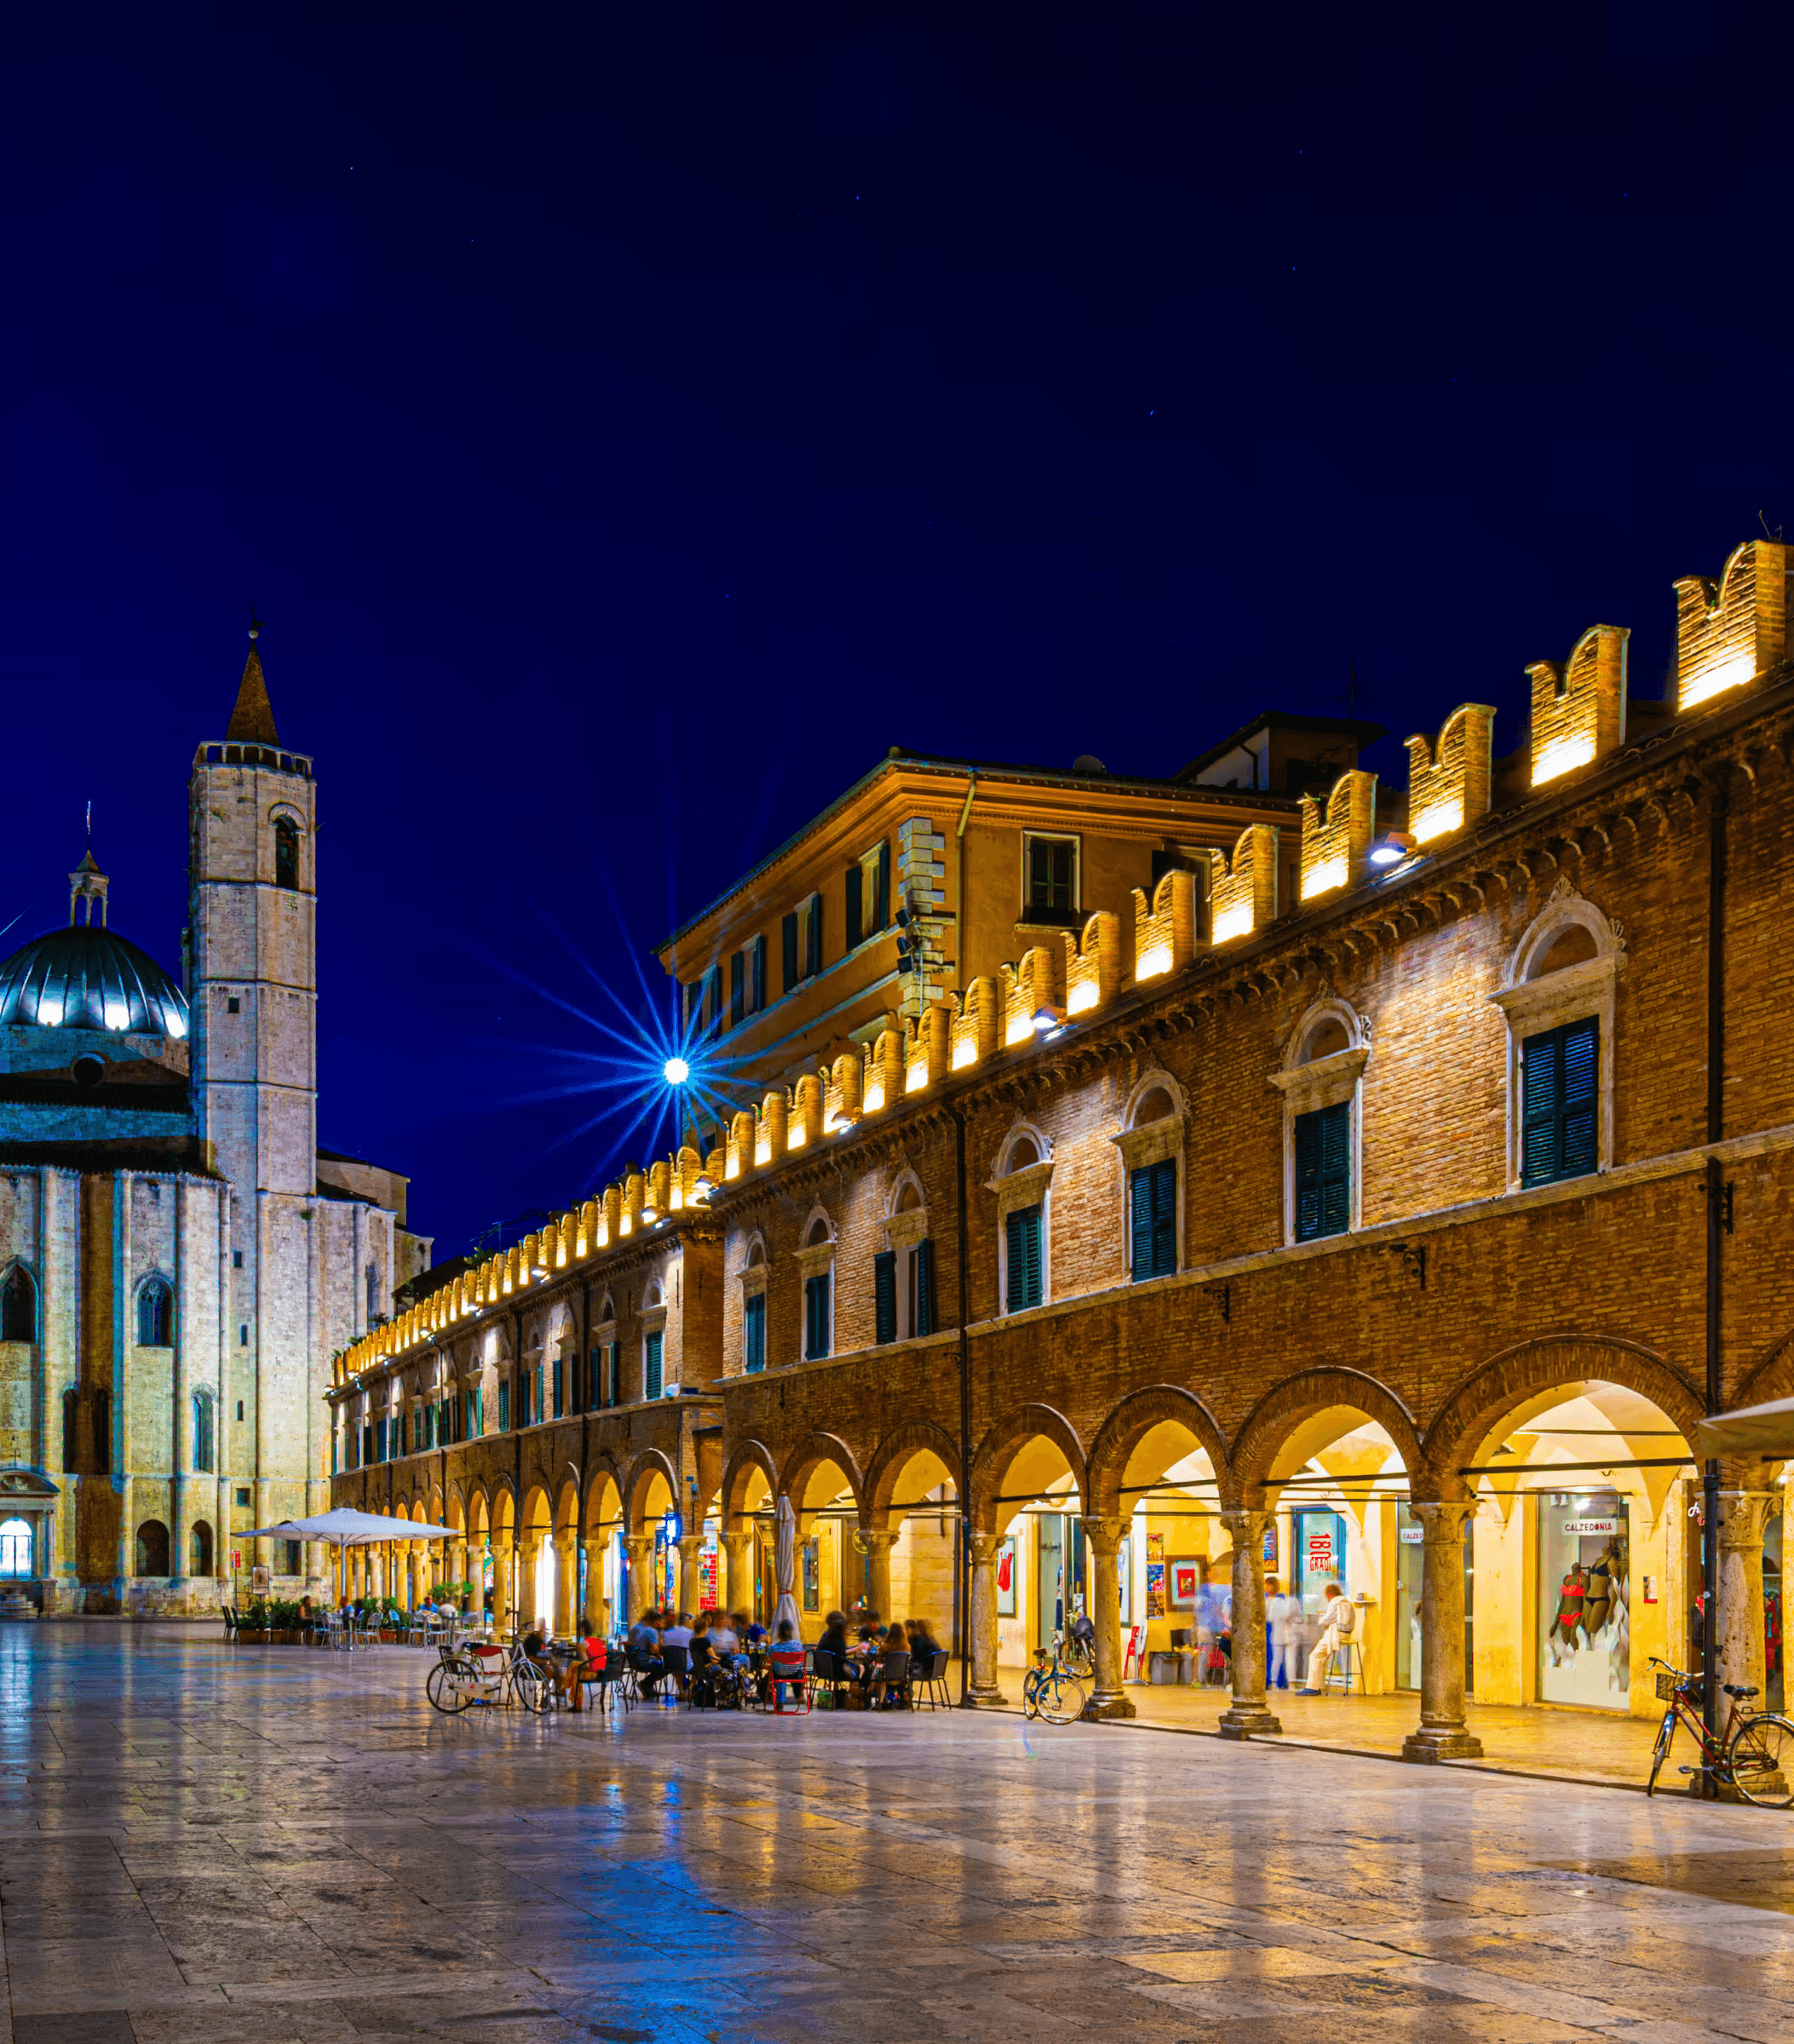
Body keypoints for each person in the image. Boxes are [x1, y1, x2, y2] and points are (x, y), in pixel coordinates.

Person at [1298, 1583, 1356, 1693]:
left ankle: (1313, 1687)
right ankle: (1319, 1685)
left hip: (1336, 1634)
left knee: (1315, 1656)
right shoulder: (1347, 1601)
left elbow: (1327, 1619)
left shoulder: (1335, 1602)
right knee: (1322, 1658)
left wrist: (1321, 1621)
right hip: (1347, 1634)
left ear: (1329, 1595)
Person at [1264, 1576, 1298, 1691]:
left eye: (1269, 1585)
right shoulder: (1282, 1599)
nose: (1267, 1588)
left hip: (1276, 1631)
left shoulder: (1280, 1599)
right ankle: (1276, 1682)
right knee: (1277, 1658)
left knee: (1278, 1659)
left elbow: (1269, 1617)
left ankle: (1277, 1682)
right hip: (1275, 1631)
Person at [868, 1621, 910, 1709]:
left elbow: (878, 1653)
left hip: (887, 1677)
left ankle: (870, 1695)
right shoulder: (906, 1647)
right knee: (880, 1672)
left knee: (878, 1671)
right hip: (902, 1677)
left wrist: (881, 1644)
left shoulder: (887, 1647)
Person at [767, 1620, 807, 1711]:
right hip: (796, 1674)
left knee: (779, 1673)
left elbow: (769, 1659)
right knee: (794, 1671)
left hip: (780, 1673)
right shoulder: (798, 1644)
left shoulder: (774, 1647)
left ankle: (780, 1701)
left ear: (778, 1632)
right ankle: (799, 1696)